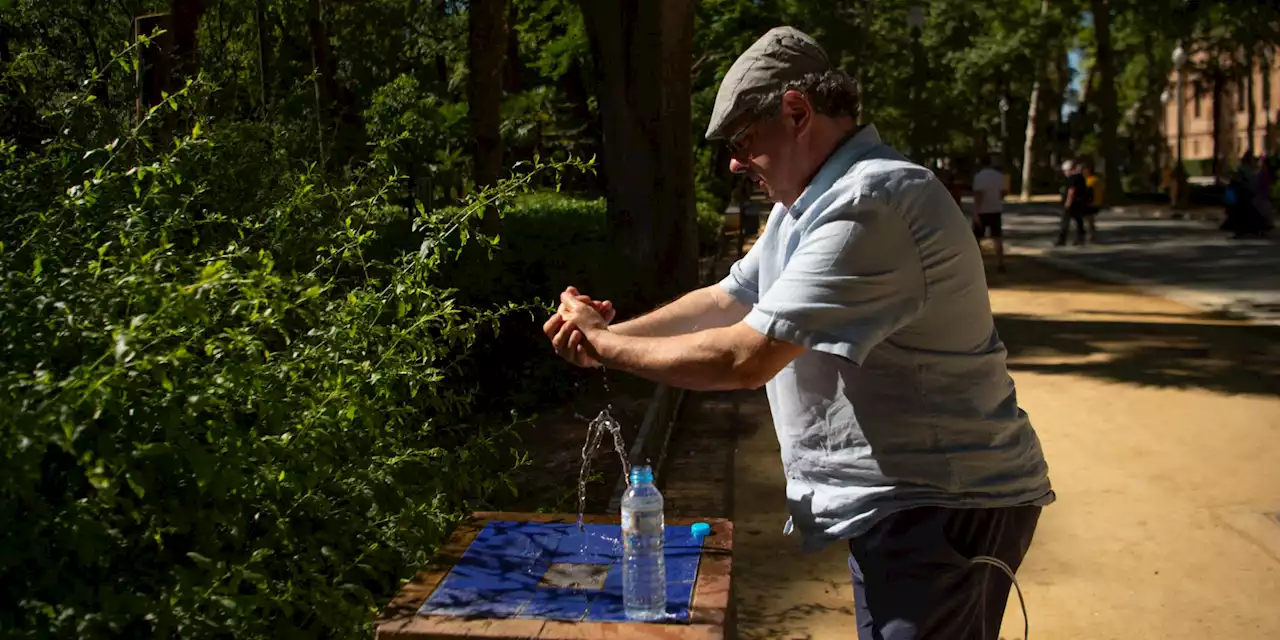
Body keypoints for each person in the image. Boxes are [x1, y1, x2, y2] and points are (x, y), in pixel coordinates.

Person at [543, 26, 1053, 640]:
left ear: (797, 111)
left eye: (743, 139)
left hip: (944, 506)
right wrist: (608, 332)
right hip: (907, 505)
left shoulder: (873, 200)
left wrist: (605, 346)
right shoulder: (803, 207)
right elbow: (725, 299)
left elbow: (745, 358)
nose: (734, 162)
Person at [971, 156, 1007, 273]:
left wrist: (976, 211)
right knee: (997, 238)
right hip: (996, 209)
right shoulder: (999, 176)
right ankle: (1000, 263)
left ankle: (977, 264)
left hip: (983, 211)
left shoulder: (979, 177)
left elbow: (978, 196)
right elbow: (1004, 192)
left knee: (977, 239)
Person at [1056, 160, 1089, 246]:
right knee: (1079, 221)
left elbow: (1071, 191)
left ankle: (1062, 240)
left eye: (1065, 171)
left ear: (1069, 170)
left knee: (1065, 221)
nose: (1064, 173)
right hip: (1081, 202)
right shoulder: (1081, 177)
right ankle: (1081, 238)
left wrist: (1068, 202)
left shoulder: (1072, 178)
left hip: (1073, 203)